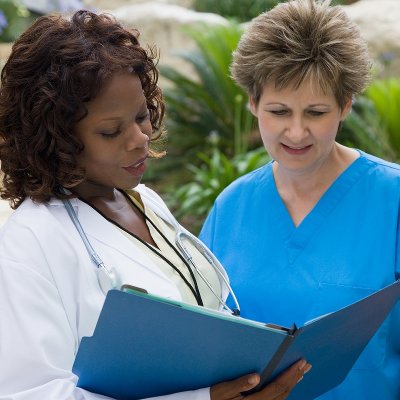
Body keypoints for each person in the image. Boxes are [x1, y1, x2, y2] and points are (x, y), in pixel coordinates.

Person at [0, 9, 311, 400]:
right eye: (111, 131)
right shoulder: (31, 241)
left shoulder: (142, 200)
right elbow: (29, 393)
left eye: (141, 116)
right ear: (54, 138)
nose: (139, 139)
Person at [199, 0, 400, 399]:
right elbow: (205, 336)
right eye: (278, 111)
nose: (295, 132)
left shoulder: (391, 200)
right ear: (253, 103)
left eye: (316, 112)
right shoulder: (231, 207)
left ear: (345, 106)